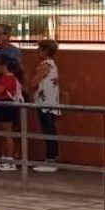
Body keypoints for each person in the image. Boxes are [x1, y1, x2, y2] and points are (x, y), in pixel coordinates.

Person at [0, 56, 25, 172]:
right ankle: (4, 158)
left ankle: (9, 160)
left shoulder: (7, 78)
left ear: (4, 67)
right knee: (3, 134)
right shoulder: (7, 78)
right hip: (3, 106)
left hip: (6, 106)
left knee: (7, 133)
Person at [30, 39, 62, 172]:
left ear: (45, 51)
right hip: (51, 101)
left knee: (48, 129)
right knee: (50, 129)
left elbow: (33, 82)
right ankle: (52, 157)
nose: (38, 52)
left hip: (45, 102)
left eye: (40, 49)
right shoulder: (53, 64)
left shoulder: (45, 65)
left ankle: (50, 160)